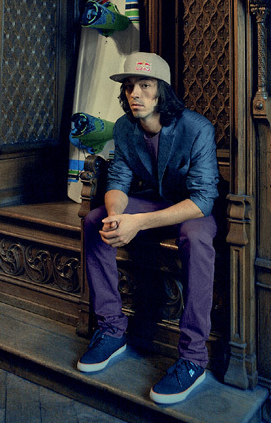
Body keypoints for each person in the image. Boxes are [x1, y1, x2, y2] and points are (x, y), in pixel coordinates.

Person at [77, 52, 219, 405]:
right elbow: (118, 181)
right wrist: (116, 216)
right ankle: (112, 330)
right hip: (153, 201)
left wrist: (137, 222)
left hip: (190, 207)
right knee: (95, 221)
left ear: (162, 92)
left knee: (197, 238)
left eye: (145, 85)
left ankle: (194, 357)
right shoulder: (125, 128)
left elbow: (203, 200)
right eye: (129, 87)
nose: (134, 94)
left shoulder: (196, 128)